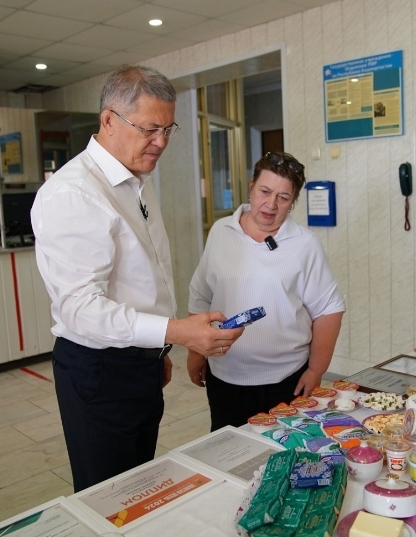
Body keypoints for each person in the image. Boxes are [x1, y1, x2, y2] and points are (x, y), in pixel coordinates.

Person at [31, 65, 243, 492]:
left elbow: (140, 281)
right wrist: (178, 332)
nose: (161, 142)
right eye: (150, 128)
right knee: (108, 494)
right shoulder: (74, 194)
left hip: (138, 358)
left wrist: (157, 348)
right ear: (109, 120)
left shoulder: (135, 181)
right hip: (100, 369)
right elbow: (80, 309)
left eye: (168, 129)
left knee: (138, 479)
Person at [187, 151, 345, 430]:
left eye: (283, 198)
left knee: (285, 459)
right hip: (225, 377)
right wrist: (196, 351)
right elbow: (201, 293)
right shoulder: (221, 231)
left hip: (286, 380)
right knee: (230, 455)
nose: (270, 204)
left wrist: (316, 369)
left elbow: (328, 309)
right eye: (264, 191)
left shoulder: (305, 244)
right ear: (251, 186)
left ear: (293, 201)